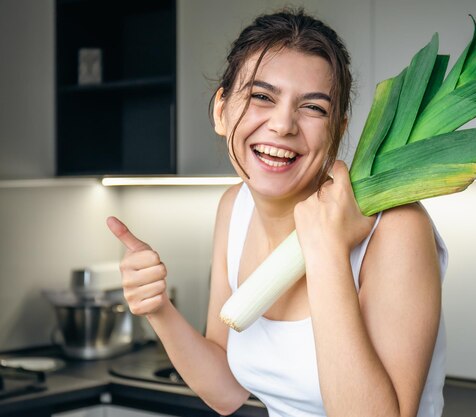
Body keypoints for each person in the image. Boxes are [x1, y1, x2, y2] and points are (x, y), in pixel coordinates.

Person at [107, 8, 448, 417]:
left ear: (338, 132)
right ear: (221, 110)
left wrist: (327, 250)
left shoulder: (396, 227)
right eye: (261, 97)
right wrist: (157, 309)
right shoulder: (235, 208)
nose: (283, 124)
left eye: (314, 108)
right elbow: (226, 391)